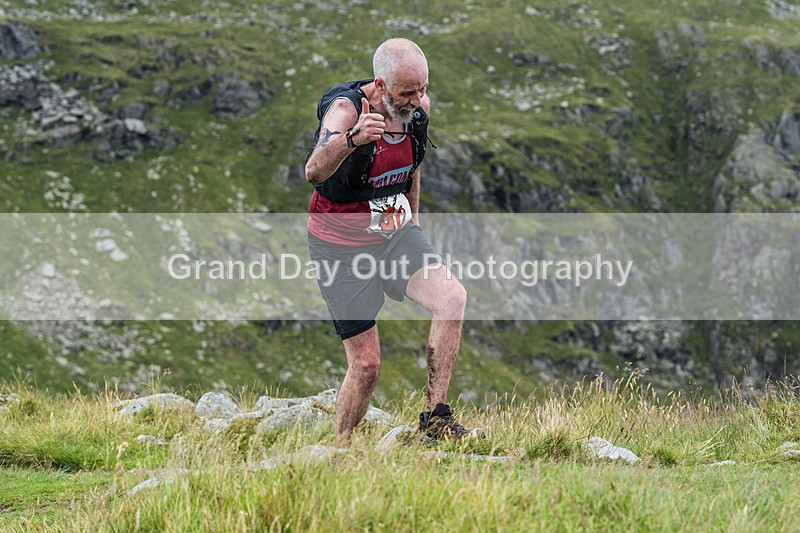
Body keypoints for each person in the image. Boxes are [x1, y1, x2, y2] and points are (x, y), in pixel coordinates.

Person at [305, 38, 476, 447]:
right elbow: (313, 171)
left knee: (452, 298)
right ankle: (342, 449)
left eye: (423, 89)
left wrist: (413, 226)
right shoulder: (347, 112)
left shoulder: (418, 111)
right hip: (339, 248)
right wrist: (353, 141)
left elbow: (412, 169)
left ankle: (434, 419)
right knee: (366, 366)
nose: (418, 100)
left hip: (394, 235)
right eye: (407, 93)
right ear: (381, 86)